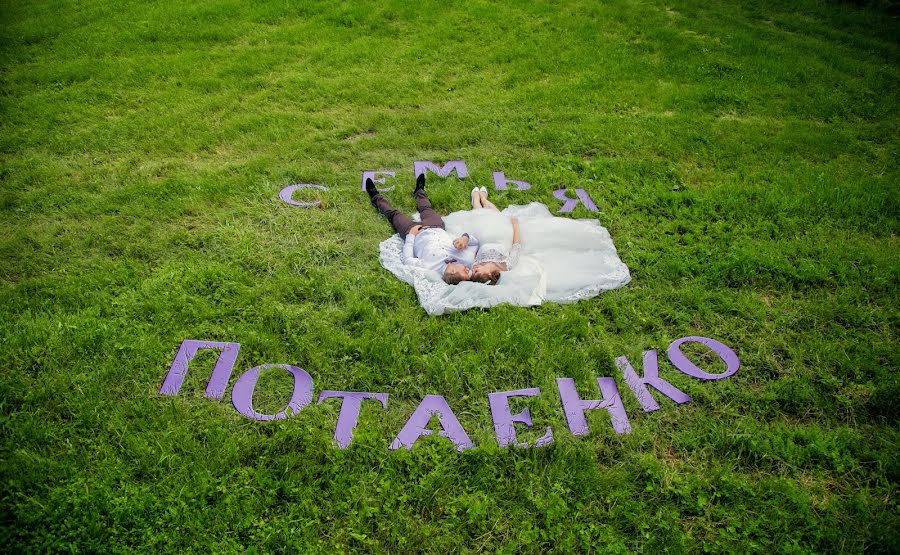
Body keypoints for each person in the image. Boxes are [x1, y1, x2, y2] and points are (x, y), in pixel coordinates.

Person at [366, 174, 479, 284]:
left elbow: (408, 260)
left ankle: (375, 196)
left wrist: (411, 236)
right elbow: (475, 243)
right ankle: (419, 191)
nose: (467, 269)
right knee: (426, 208)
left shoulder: (430, 268)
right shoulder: (466, 260)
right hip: (436, 226)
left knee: (395, 215)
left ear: (452, 271)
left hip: (414, 231)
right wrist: (465, 238)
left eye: (464, 270)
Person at [469, 187, 521, 285]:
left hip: (483, 234)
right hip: (502, 234)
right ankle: (484, 200)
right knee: (498, 216)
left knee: (480, 215)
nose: (474, 270)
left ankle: (476, 200)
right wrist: (515, 225)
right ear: (489, 274)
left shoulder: (475, 264)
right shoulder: (506, 265)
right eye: (476, 272)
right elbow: (516, 246)